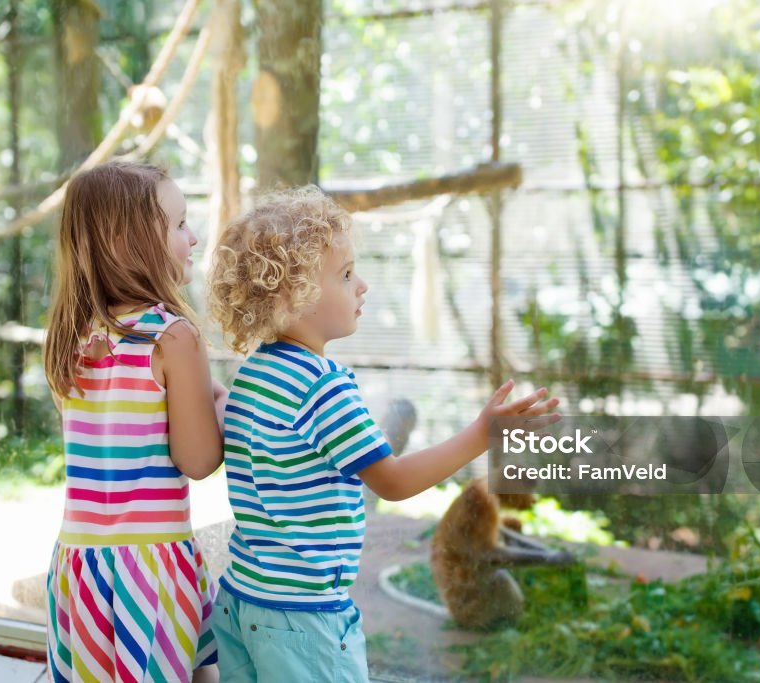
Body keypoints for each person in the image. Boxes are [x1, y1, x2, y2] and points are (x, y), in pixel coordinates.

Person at [206, 186, 560, 682]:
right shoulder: (321, 386)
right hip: (304, 617)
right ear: (292, 297)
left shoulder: (254, 375)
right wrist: (483, 433)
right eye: (346, 275)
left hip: (242, 599)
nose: (363, 286)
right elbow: (391, 480)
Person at [43, 161, 226, 683]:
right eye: (179, 225)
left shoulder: (70, 337)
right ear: (129, 242)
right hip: (151, 567)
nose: (192, 236)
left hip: (78, 567)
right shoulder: (172, 337)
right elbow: (197, 460)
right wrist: (220, 404)